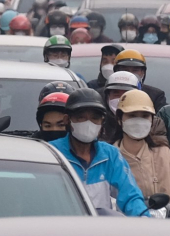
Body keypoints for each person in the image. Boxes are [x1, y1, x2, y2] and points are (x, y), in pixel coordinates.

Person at [48, 87, 149, 215]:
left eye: (95, 118)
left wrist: (143, 219)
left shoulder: (110, 155)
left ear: (102, 122)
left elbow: (130, 196)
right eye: (81, 118)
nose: (88, 123)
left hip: (101, 231)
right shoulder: (52, 154)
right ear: (67, 120)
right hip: (60, 230)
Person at [115, 90, 170, 208]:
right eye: (132, 115)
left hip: (163, 223)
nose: (139, 121)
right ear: (120, 119)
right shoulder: (109, 157)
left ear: (152, 120)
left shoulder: (163, 153)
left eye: (145, 116)